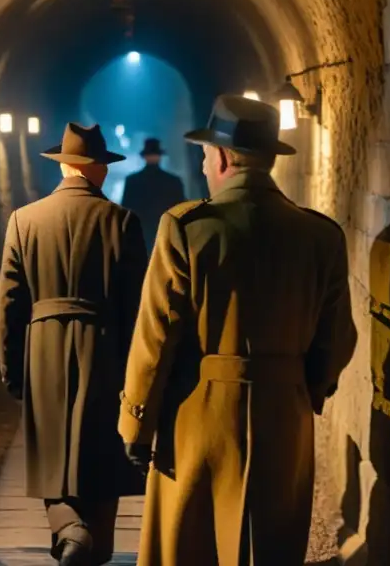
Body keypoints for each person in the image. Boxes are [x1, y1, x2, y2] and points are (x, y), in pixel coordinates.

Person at [116, 94, 358, 566]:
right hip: (284, 417)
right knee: (270, 541)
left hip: (198, 416)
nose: (205, 166)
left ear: (223, 157)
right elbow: (338, 337)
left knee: (191, 544)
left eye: (206, 156)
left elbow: (156, 336)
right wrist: (303, 388)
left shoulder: (187, 228)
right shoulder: (320, 236)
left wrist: (136, 423)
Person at [0, 122, 148, 566]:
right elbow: (137, 304)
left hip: (42, 348)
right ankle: (90, 543)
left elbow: (9, 302)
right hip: (104, 350)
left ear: (64, 165)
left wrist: (12, 370)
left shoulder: (24, 221)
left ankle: (68, 528)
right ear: (98, 169)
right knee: (100, 452)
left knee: (53, 455)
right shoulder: (123, 222)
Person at [120, 138, 186, 248]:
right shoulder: (173, 181)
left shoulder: (133, 180)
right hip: (166, 232)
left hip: (143, 233)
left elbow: (126, 209)